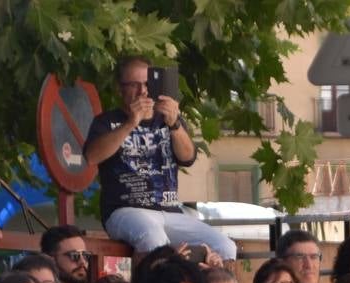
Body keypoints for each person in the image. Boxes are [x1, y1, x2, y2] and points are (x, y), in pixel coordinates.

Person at [83, 56, 237, 260]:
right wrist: (130, 123)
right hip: (125, 210)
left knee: (224, 246)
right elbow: (92, 156)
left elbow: (188, 157)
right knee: (153, 238)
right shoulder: (107, 121)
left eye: (147, 84)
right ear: (120, 89)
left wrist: (174, 124)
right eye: (134, 85)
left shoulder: (167, 119)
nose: (143, 91)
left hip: (171, 211)